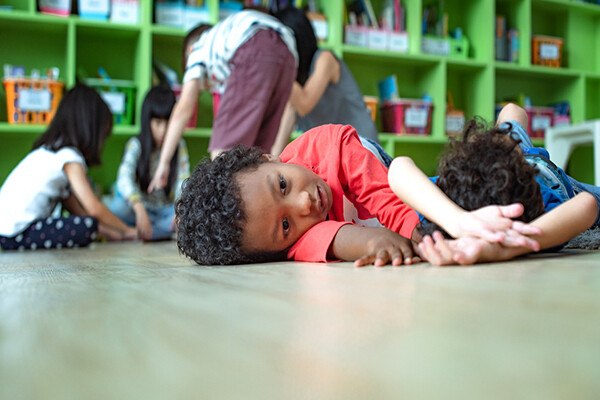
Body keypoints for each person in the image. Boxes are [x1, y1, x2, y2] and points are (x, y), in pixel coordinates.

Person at [175, 123, 539, 266]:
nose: (304, 204)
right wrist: (372, 242)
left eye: (283, 185)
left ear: (267, 159)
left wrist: (417, 232)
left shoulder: (322, 146)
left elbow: (381, 190)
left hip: (411, 190)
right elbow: (335, 238)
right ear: (277, 248)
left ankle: (513, 119)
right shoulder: (294, 245)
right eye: (285, 225)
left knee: (505, 144)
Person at [388, 103, 599, 265]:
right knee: (511, 118)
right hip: (545, 177)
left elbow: (399, 166)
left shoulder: (451, 193)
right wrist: (507, 246)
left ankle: (510, 149)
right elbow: (587, 204)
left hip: (508, 165)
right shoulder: (541, 210)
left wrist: (458, 221)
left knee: (511, 111)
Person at [147, 9, 298, 193]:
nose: (205, 87)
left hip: (256, 42)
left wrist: (163, 163)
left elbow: (183, 110)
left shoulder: (197, 51)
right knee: (258, 157)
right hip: (288, 51)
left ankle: (221, 219)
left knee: (222, 158)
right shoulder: (225, 52)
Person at [0, 84, 138, 250]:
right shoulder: (69, 158)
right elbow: (93, 208)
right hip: (15, 232)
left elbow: (76, 209)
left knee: (87, 224)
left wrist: (111, 232)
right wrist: (128, 230)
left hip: (8, 230)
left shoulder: (53, 153)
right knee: (87, 226)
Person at [270, 6, 380, 155]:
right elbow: (281, 138)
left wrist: (275, 66)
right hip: (336, 153)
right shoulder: (297, 83)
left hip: (362, 147)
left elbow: (304, 104)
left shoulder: (325, 59)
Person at [109, 85, 190, 241]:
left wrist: (180, 209)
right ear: (147, 121)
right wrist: (138, 207)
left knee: (191, 215)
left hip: (166, 211)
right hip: (139, 209)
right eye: (158, 123)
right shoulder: (136, 144)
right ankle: (155, 232)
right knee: (117, 208)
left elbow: (183, 180)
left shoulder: (179, 146)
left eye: (168, 123)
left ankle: (139, 233)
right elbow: (124, 178)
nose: (163, 131)